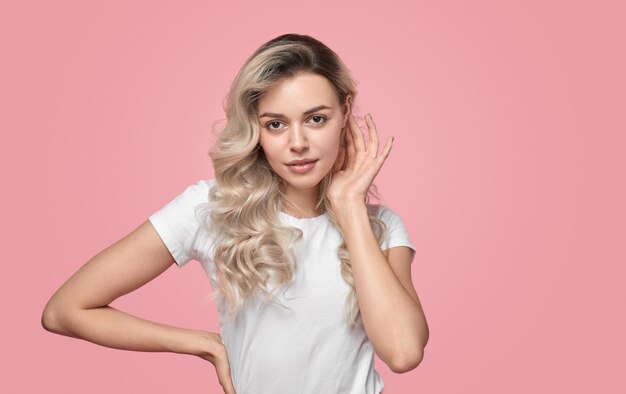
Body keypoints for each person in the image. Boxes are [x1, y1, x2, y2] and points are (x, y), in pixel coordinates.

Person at [42, 33, 429, 394]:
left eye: (316, 119)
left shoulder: (381, 227)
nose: (298, 143)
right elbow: (65, 310)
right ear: (255, 129)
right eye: (275, 124)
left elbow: (403, 353)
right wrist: (201, 344)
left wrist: (350, 210)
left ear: (345, 112)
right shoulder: (212, 208)